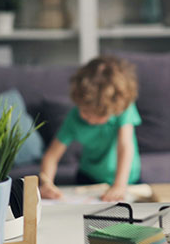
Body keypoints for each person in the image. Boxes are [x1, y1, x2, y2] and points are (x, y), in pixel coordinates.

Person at [39, 55, 141, 202]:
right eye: (86, 112)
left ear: (115, 109)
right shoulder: (74, 118)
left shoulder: (123, 108)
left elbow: (125, 146)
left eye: (99, 115)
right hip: (89, 178)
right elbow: (51, 156)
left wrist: (119, 185)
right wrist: (46, 183)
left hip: (127, 179)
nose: (91, 119)